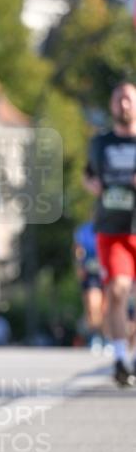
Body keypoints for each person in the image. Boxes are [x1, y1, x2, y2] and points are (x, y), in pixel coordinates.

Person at [84, 80, 136, 387]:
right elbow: (88, 174)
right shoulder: (99, 143)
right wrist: (93, 185)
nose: (124, 105)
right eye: (119, 100)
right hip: (112, 228)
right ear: (112, 106)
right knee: (117, 290)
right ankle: (120, 358)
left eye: (129, 99)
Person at [73, 220, 105, 353]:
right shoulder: (84, 230)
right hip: (91, 273)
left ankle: (107, 337)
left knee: (106, 308)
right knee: (92, 305)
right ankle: (96, 336)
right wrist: (79, 265)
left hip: (108, 270)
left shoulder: (112, 227)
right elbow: (78, 249)